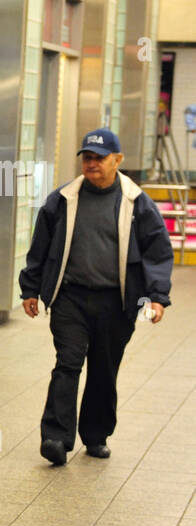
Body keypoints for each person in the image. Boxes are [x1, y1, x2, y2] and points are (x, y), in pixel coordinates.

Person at [19, 127, 173, 465]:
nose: (91, 164)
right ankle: (55, 438)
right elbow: (40, 248)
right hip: (70, 297)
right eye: (87, 157)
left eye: (99, 158)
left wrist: (157, 296)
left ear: (117, 160)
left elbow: (157, 252)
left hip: (117, 302)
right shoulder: (63, 200)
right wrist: (30, 288)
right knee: (67, 364)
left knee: (104, 369)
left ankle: (96, 434)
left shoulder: (137, 203)